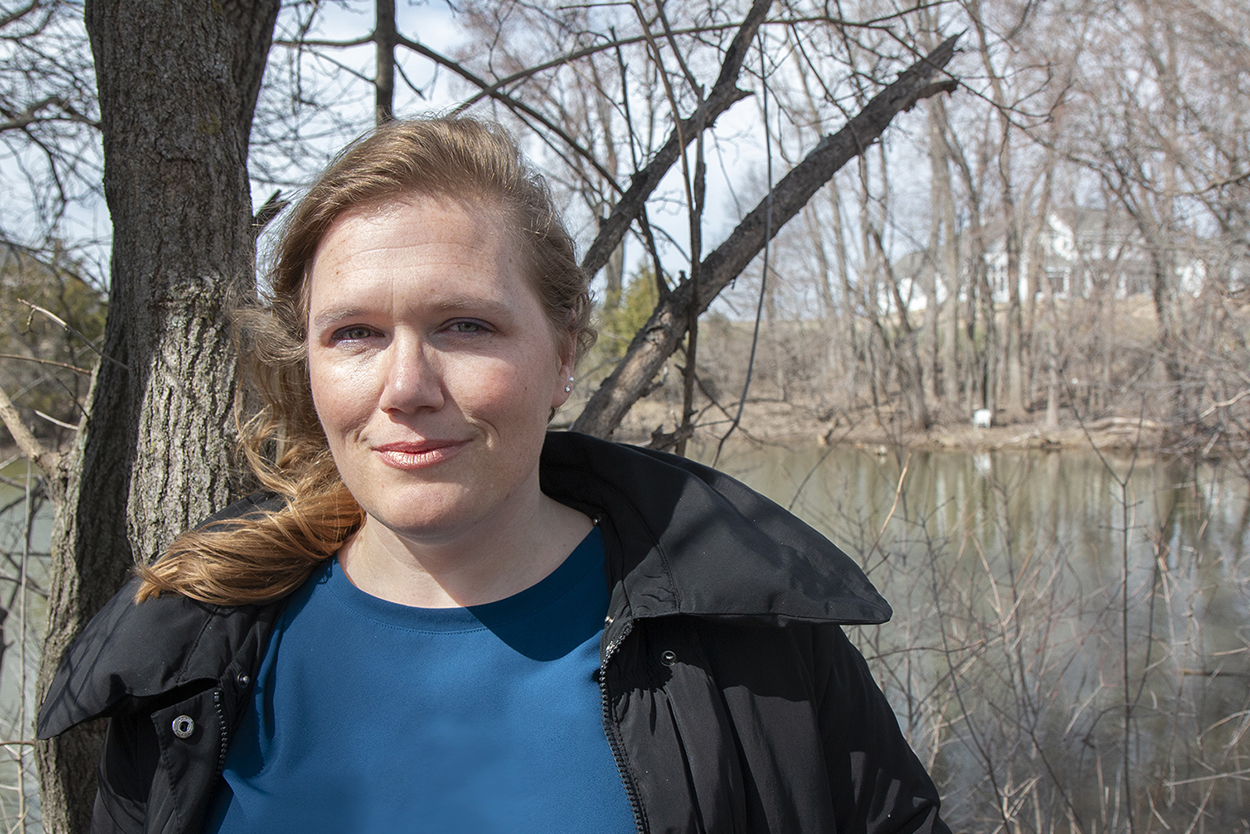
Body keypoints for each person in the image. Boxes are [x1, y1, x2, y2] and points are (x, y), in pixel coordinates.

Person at [38, 116, 950, 834]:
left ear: (562, 356)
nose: (405, 388)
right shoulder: (182, 659)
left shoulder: (754, 649)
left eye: (465, 326)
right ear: (307, 365)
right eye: (353, 333)